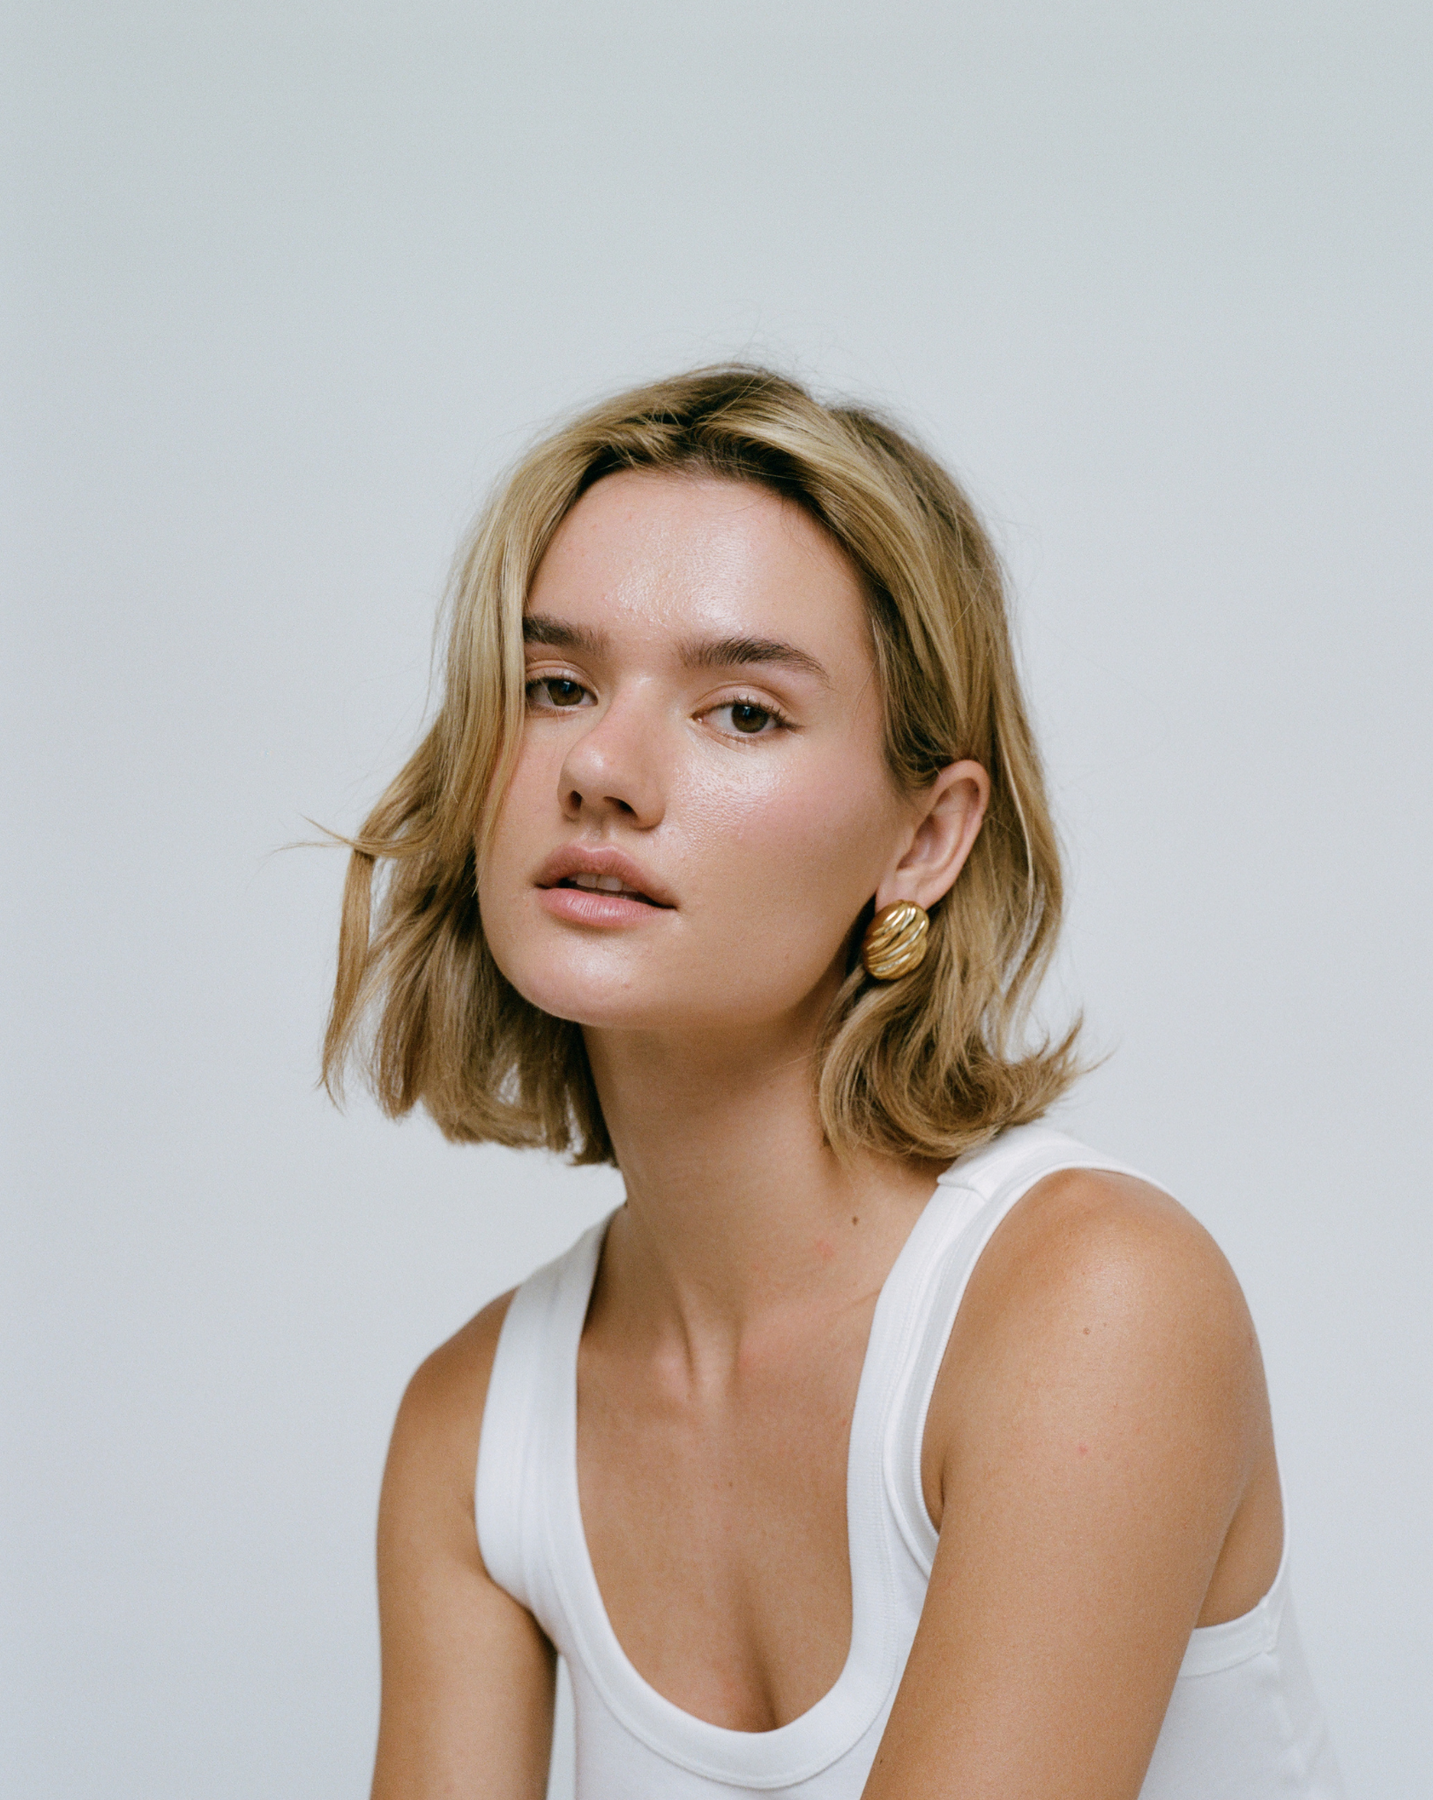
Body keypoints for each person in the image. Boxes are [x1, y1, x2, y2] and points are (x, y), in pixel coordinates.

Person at [325, 367, 1343, 1798]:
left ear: (924, 841)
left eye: (742, 713)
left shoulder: (1095, 1305)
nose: (602, 767)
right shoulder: (472, 1430)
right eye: (556, 686)